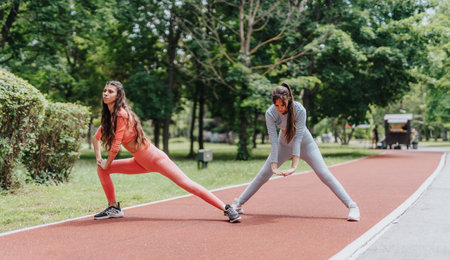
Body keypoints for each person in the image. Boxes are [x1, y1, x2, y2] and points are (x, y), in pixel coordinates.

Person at [93, 81, 240, 223]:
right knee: (102, 169)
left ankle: (227, 208)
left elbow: (116, 145)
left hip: (155, 159)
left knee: (187, 184)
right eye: (105, 90)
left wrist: (108, 163)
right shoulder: (110, 118)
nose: (106, 93)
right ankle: (113, 207)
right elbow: (95, 138)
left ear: (118, 96)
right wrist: (100, 159)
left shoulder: (121, 114)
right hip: (140, 162)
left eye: (110, 91)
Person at [231, 82, 360, 221]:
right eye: (276, 105)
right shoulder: (270, 112)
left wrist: (294, 166)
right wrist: (273, 165)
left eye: (282, 105)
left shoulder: (300, 110)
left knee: (324, 174)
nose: (280, 108)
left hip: (306, 144)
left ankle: (352, 206)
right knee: (264, 173)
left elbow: (297, 140)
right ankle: (238, 203)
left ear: (289, 100)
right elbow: (273, 141)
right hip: (282, 144)